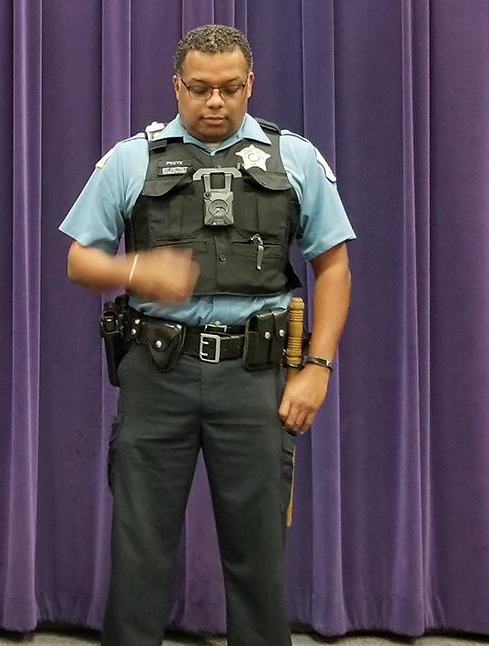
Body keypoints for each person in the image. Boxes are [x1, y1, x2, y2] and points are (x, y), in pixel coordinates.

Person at [59, 25, 354, 646]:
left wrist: (318, 367)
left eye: (229, 88)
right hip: (157, 371)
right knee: (139, 553)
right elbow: (81, 260)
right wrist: (136, 269)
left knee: (257, 558)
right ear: (177, 86)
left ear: (251, 84)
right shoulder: (131, 158)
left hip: (255, 377)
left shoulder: (293, 157)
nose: (214, 102)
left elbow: (333, 265)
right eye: (198, 89)